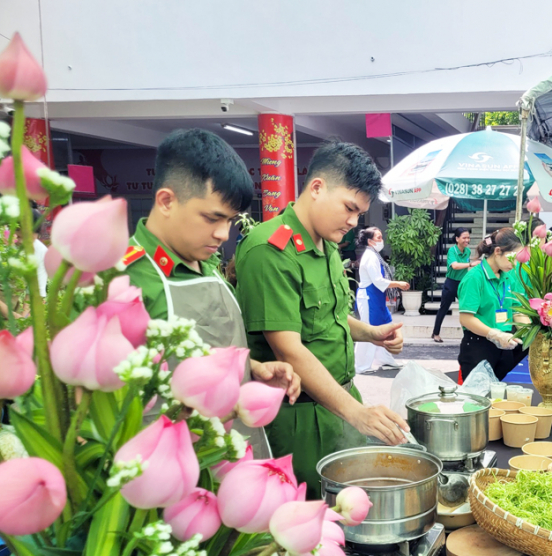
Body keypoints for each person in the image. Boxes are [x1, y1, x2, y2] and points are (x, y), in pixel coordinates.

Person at [234, 142, 409, 496]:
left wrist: (371, 333)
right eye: (349, 208)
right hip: (300, 417)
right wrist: (358, 413)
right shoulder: (270, 250)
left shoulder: (327, 245)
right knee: (308, 516)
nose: (353, 221)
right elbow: (289, 350)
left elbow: (332, 317)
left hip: (340, 402)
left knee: (350, 510)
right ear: (316, 188)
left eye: (360, 213)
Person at [123, 129, 300, 458]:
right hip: (172, 467)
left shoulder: (204, 264)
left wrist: (253, 370)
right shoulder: (125, 280)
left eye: (230, 220)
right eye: (212, 218)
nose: (223, 233)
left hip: (235, 451)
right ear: (166, 201)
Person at [457, 228, 527, 381]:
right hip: (479, 346)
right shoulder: (475, 277)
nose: (515, 264)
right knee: (479, 399)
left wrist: (531, 332)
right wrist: (494, 334)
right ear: (497, 251)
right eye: (512, 258)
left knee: (499, 398)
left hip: (505, 344)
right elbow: (466, 318)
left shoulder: (509, 277)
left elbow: (517, 311)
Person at [354, 227, 409, 373]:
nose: (381, 240)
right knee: (369, 330)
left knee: (385, 326)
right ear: (370, 241)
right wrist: (398, 283)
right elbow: (378, 281)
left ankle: (385, 359)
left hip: (375, 296)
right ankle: (361, 366)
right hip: (369, 297)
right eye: (378, 237)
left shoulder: (374, 255)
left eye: (381, 236)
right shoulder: (370, 257)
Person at [432, 227, 477, 342]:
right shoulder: (452, 250)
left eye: (468, 237)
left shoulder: (467, 251)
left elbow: (464, 267)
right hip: (451, 283)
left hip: (462, 284)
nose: (467, 240)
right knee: (443, 309)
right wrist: (471, 264)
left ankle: (467, 335)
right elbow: (455, 266)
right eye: (464, 238)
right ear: (457, 239)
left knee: (466, 309)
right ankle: (435, 333)